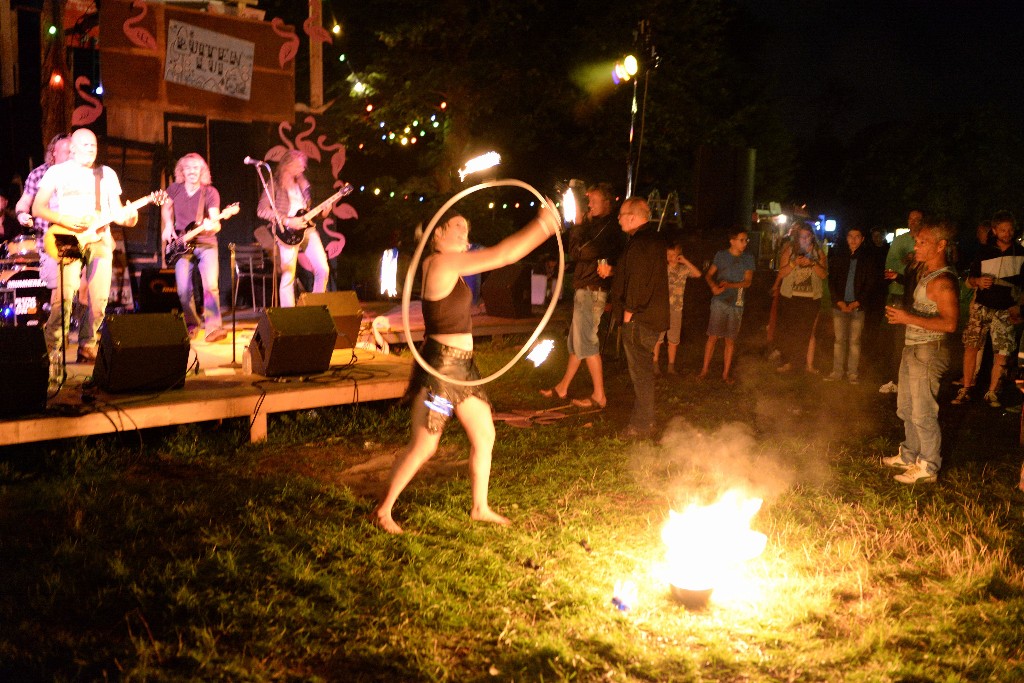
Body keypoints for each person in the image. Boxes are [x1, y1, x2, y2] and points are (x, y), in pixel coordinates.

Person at [373, 202, 561, 534]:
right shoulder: (441, 263)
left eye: (467, 229)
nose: (465, 233)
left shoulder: (451, 266)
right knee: (426, 444)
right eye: (457, 227)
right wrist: (543, 226)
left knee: (485, 434)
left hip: (465, 371)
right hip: (442, 375)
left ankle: (480, 507)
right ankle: (384, 510)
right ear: (437, 234)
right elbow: (504, 255)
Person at [31, 128, 138, 369]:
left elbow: (119, 212)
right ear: (73, 148)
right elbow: (38, 208)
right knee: (64, 297)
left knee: (98, 299)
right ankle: (52, 350)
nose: (90, 149)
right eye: (85, 145)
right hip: (68, 237)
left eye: (93, 145)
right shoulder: (57, 173)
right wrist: (65, 220)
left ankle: (88, 345)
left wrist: (130, 218)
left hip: (99, 239)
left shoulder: (106, 174)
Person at [881, 216, 958, 484]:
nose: (917, 247)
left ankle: (928, 466)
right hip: (913, 348)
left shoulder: (943, 281)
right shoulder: (924, 272)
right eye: (916, 241)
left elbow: (950, 323)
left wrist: (908, 318)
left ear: (940, 245)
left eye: (923, 242)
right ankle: (909, 454)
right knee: (906, 406)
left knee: (923, 411)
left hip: (929, 351)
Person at [540, 182, 621, 408]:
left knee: (586, 342)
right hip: (584, 289)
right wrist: (581, 225)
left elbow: (579, 252)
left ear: (607, 203)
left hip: (592, 292)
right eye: (589, 201)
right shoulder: (595, 226)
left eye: (594, 201)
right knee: (577, 343)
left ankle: (599, 395)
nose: (590, 205)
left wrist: (577, 224)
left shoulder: (608, 229)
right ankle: (563, 387)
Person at [609, 197, 668, 438]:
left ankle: (642, 424)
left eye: (622, 214)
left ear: (633, 217)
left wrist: (628, 315)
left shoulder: (640, 244)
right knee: (642, 373)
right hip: (650, 316)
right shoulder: (650, 241)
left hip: (639, 319)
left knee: (641, 375)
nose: (619, 218)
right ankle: (645, 421)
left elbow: (638, 282)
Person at [951, 211, 1024, 408]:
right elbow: (970, 279)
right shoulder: (984, 251)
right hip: (982, 306)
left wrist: (1019, 304)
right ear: (994, 230)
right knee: (971, 346)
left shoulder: (1020, 253)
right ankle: (966, 387)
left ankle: (992, 391)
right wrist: (978, 281)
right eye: (1002, 230)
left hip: (1005, 309)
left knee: (1003, 351)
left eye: (1010, 229)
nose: (1007, 233)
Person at [161, 153, 227, 342]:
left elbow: (216, 222)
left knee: (211, 286)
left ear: (202, 171)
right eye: (188, 168)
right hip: (182, 243)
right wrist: (167, 225)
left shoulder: (210, 192)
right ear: (181, 171)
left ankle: (213, 329)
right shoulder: (174, 189)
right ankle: (192, 323)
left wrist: (211, 225)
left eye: (196, 168)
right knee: (183, 290)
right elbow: (166, 208)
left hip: (207, 243)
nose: (192, 171)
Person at [256, 150, 330, 307]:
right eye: (299, 165)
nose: (303, 169)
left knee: (323, 269)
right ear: (288, 164)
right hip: (287, 232)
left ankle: (315, 308)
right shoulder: (274, 183)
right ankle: (289, 315)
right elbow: (262, 210)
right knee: (288, 275)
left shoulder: (303, 186)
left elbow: (306, 213)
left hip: (307, 230)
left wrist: (323, 212)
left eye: (303, 165)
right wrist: (288, 221)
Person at [700, 227, 754, 383]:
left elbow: (748, 282)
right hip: (719, 302)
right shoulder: (721, 255)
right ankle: (704, 370)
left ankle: (725, 374)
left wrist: (728, 285)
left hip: (737, 302)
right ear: (732, 241)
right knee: (713, 337)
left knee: (730, 340)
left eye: (746, 240)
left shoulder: (748, 258)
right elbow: (709, 275)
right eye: (742, 240)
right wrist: (713, 287)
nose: (745, 243)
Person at [825, 227, 879, 383]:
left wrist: (858, 301)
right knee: (839, 340)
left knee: (854, 341)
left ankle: (852, 374)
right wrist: (839, 301)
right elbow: (832, 281)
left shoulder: (868, 259)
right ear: (846, 238)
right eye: (850, 236)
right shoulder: (839, 257)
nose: (853, 240)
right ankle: (837, 372)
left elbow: (870, 283)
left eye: (857, 237)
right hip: (839, 306)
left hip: (858, 307)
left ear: (862, 239)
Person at [772, 223, 827, 373]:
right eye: (802, 236)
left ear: (812, 237)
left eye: (808, 236)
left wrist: (812, 263)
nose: (805, 239)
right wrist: (793, 263)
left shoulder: (818, 253)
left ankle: (809, 365)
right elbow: (781, 273)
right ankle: (788, 362)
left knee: (810, 332)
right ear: (797, 238)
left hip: (811, 299)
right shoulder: (789, 251)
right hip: (791, 297)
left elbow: (823, 275)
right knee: (790, 330)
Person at [879, 209, 923, 393]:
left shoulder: (927, 247)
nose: (913, 222)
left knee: (916, 341)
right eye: (910, 219)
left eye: (917, 219)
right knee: (898, 339)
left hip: (919, 299)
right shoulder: (900, 241)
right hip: (899, 295)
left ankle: (913, 381)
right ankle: (896, 379)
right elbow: (891, 265)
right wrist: (898, 274)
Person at [16, 133, 72, 266]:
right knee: (58, 285)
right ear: (54, 152)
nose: (71, 156)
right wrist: (22, 215)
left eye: (73, 151)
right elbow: (24, 202)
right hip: (48, 243)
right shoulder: (38, 174)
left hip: (78, 241)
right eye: (67, 152)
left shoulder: (81, 173)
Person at [652, 239, 701, 376]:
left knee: (673, 338)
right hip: (661, 308)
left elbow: (697, 274)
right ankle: (655, 364)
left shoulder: (683, 269)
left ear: (679, 255)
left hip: (676, 308)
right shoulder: (663, 268)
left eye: (674, 255)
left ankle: (671, 366)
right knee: (658, 337)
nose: (671, 258)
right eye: (668, 255)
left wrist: (684, 261)